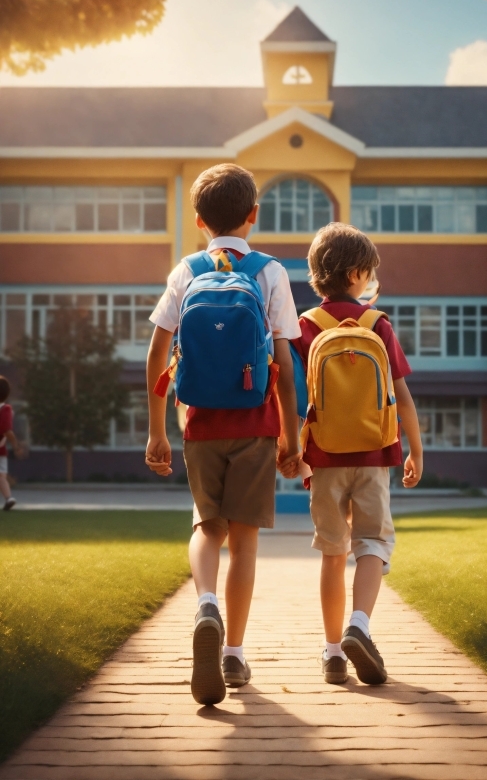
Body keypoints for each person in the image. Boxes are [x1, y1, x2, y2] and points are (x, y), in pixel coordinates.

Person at [145, 164, 300, 705]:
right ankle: (233, 652)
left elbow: (158, 352)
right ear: (253, 215)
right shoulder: (270, 272)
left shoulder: (185, 270)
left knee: (207, 527)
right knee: (246, 541)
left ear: (197, 220)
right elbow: (283, 358)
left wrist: (156, 430)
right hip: (256, 423)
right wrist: (292, 439)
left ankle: (204, 602)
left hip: (200, 422)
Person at [283, 223, 423, 686]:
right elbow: (401, 396)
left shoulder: (303, 327)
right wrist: (415, 451)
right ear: (360, 273)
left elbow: (287, 393)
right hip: (374, 453)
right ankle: (358, 626)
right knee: (373, 544)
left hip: (323, 458)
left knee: (331, 552)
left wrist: (289, 449)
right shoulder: (377, 324)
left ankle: (331, 654)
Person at [0, 376, 23, 511]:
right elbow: (7, 430)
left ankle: (9, 499)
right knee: (1, 476)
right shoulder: (5, 410)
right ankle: (8, 498)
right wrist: (16, 445)